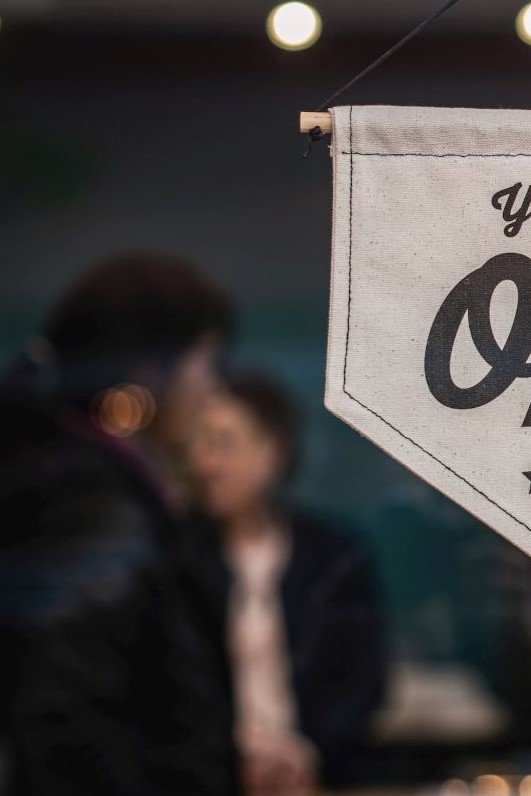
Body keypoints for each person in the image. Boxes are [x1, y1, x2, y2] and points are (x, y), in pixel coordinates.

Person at [0, 252, 237, 795]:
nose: (211, 393)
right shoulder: (93, 508)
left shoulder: (65, 479)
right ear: (152, 372)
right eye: (205, 366)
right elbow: (69, 720)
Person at [182, 370, 387, 795]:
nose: (206, 463)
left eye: (223, 444)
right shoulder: (178, 558)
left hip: (317, 777)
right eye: (198, 445)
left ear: (272, 452)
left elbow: (363, 681)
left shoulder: (334, 558)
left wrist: (307, 753)